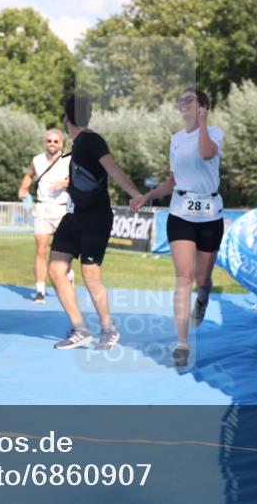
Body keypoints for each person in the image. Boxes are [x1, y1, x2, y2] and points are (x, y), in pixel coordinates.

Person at [131, 88, 224, 367]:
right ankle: (182, 342)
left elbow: (207, 154)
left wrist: (204, 122)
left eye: (190, 101)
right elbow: (172, 181)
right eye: (180, 102)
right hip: (180, 212)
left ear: (202, 107)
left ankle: (203, 299)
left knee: (202, 279)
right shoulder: (175, 140)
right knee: (183, 277)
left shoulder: (215, 132)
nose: (183, 106)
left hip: (209, 213)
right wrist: (147, 196)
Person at [49, 94, 143, 350]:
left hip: (95, 217)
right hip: (73, 216)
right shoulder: (78, 144)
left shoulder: (91, 140)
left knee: (90, 276)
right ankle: (80, 329)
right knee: (56, 270)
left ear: (66, 118)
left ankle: (108, 329)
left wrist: (136, 195)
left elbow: (113, 169)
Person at [18, 129, 72, 304]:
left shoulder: (69, 159)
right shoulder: (38, 160)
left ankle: (68, 278)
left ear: (62, 144)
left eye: (56, 141)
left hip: (62, 209)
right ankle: (40, 290)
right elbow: (29, 175)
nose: (52, 144)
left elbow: (78, 180)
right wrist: (23, 188)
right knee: (41, 249)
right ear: (45, 142)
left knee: (64, 251)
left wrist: (63, 183)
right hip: (42, 208)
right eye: (49, 141)